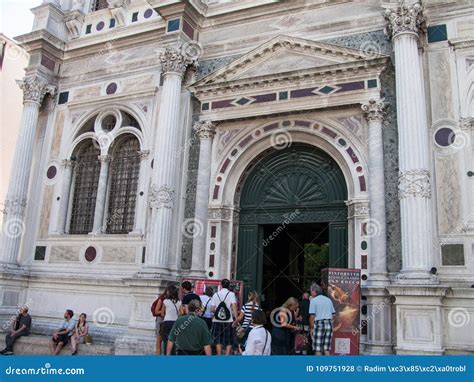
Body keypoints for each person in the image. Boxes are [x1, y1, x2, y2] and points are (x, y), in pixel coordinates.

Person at [210, 278, 239, 355]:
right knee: (229, 338)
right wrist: (236, 319)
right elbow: (234, 307)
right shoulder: (231, 294)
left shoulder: (215, 294)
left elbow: (212, 309)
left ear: (221, 285)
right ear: (229, 285)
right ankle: (226, 355)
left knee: (218, 339)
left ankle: (219, 355)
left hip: (217, 320)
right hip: (228, 320)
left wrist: (217, 311)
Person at [309, 283, 335, 355]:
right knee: (326, 349)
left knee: (318, 349)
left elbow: (312, 316)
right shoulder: (328, 300)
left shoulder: (313, 300)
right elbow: (333, 314)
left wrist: (311, 328)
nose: (310, 293)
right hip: (329, 324)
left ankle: (318, 366)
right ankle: (327, 366)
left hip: (319, 324)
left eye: (311, 291)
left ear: (314, 291)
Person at [161, 286, 181, 353]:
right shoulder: (179, 302)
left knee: (166, 340)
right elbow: (180, 314)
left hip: (167, 322)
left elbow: (162, 313)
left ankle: (166, 354)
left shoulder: (165, 301)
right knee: (174, 340)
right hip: (175, 323)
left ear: (169, 292)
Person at [154, 285, 173, 355]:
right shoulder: (161, 299)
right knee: (159, 339)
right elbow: (156, 311)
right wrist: (165, 311)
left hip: (167, 320)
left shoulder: (172, 300)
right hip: (161, 320)